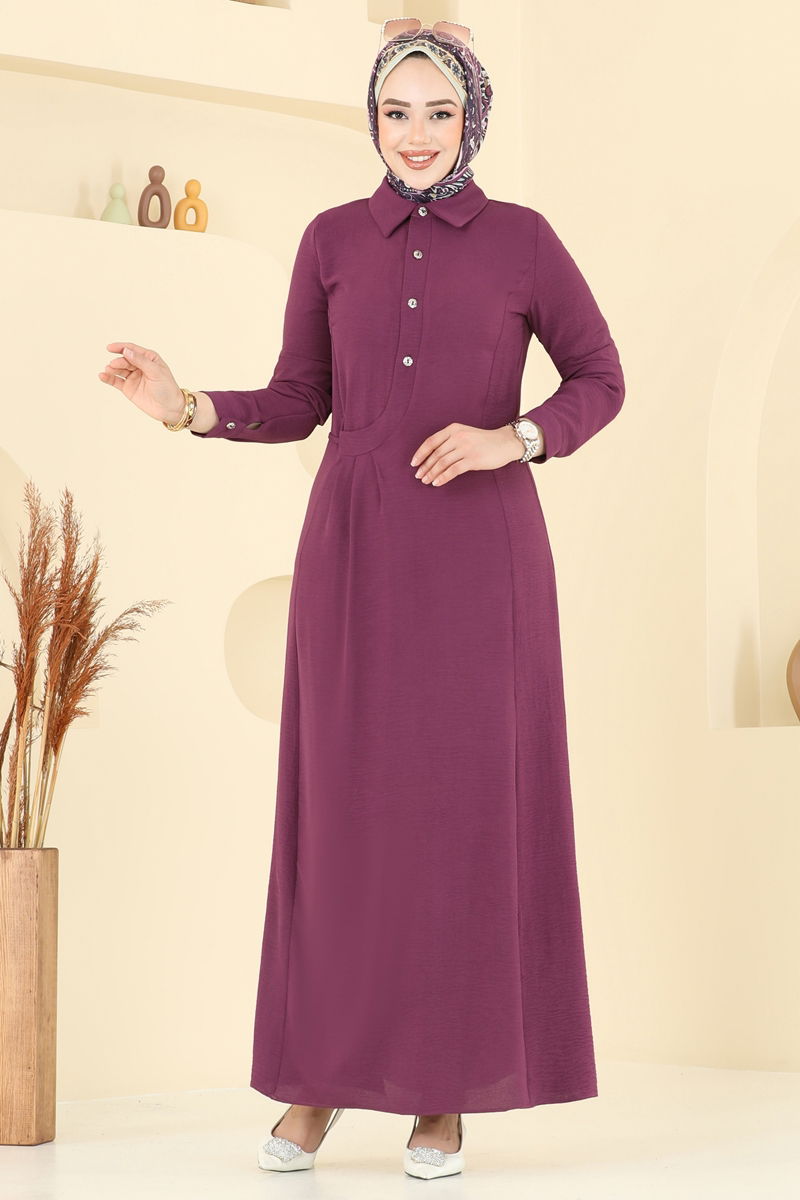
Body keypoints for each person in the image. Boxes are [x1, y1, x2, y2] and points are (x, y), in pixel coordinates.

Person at [98, 19, 625, 1181]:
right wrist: (185, 407)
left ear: (470, 118)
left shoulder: (524, 241)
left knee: (462, 818)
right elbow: (299, 398)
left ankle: (441, 1095)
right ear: (372, 120)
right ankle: (322, 1081)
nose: (417, 135)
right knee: (344, 819)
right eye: (397, 112)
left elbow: (600, 376)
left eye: (439, 112)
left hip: (482, 563)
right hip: (355, 553)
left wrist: (513, 438)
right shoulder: (331, 238)